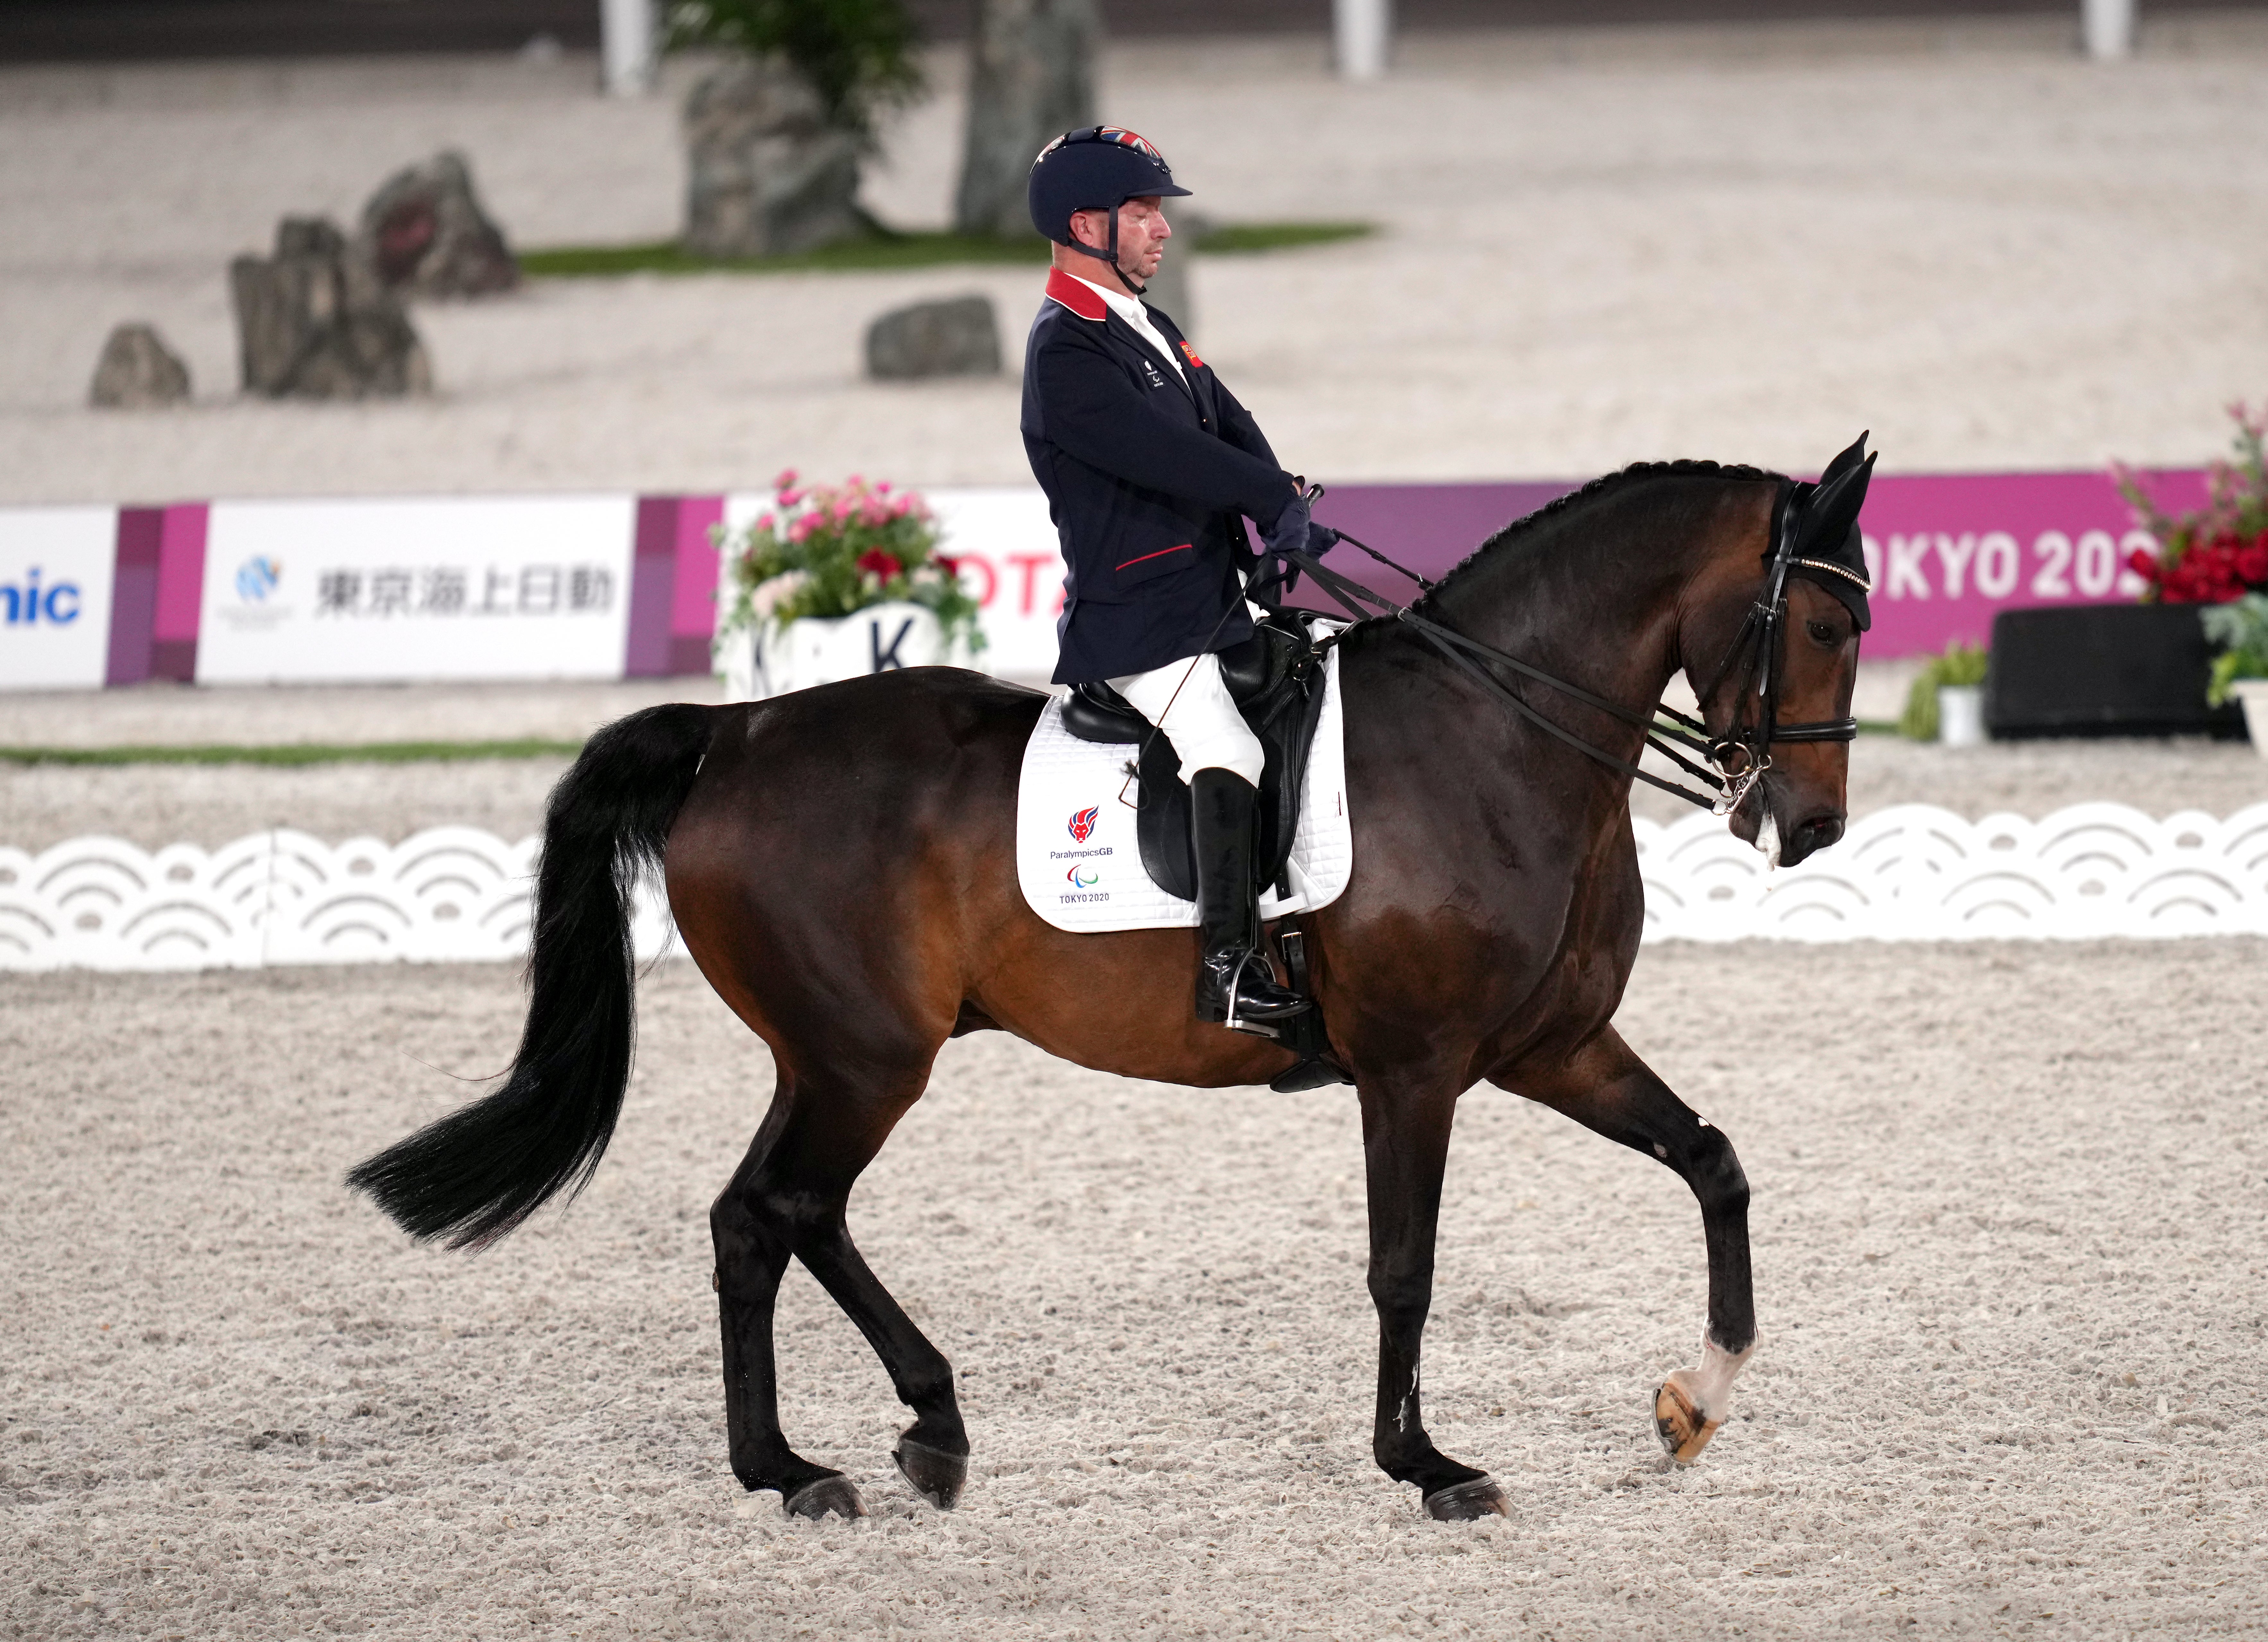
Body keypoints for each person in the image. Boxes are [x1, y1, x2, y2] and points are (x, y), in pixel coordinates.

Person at [1020, 125, 1334, 1033]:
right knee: (1225, 749)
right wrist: (1263, 494)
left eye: (1159, 211)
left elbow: (1224, 420)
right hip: (1140, 620)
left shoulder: (1145, 323)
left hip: (1207, 599)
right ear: (1086, 224)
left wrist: (1283, 502)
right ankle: (1228, 972)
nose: (1161, 229)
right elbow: (1166, 454)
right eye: (1143, 211)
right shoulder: (1066, 352)